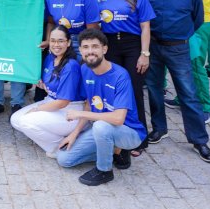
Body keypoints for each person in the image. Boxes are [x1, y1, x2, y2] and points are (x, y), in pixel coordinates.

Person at [141, 0, 210, 163]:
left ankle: (198, 139)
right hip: (154, 47)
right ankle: (159, 128)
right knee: (154, 89)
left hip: (178, 48)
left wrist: (180, 35)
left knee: (188, 93)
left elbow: (197, 19)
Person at [56, 29, 148, 186]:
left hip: (129, 132)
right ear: (81, 50)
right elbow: (89, 104)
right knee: (64, 159)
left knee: (100, 126)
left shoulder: (120, 75)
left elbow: (118, 119)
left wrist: (79, 115)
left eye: (95, 46)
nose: (90, 51)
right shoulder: (85, 69)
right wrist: (75, 133)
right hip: (103, 128)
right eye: (85, 47)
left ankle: (104, 170)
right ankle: (112, 150)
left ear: (104, 49)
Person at [96, 0, 155, 156]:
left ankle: (139, 138)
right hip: (109, 45)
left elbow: (145, 26)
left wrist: (144, 54)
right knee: (112, 91)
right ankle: (114, 134)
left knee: (134, 90)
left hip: (132, 45)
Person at [10, 26, 83, 158]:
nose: (56, 44)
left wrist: (38, 109)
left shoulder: (71, 66)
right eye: (53, 40)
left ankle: (58, 148)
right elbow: (50, 84)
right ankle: (60, 136)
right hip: (52, 102)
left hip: (70, 110)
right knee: (15, 119)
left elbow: (63, 102)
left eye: (60, 41)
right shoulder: (50, 58)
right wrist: (42, 85)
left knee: (26, 121)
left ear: (68, 43)